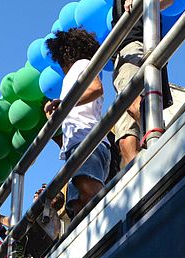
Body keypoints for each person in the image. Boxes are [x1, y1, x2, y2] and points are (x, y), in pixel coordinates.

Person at [44, 28, 111, 217]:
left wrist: (65, 104)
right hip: (80, 144)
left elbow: (96, 89)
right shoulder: (73, 76)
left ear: (66, 52)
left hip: (87, 142)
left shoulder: (81, 64)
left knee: (91, 197)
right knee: (77, 208)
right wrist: (59, 111)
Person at [110, 0, 174, 166]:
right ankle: (143, 174)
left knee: (133, 105)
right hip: (125, 53)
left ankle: (160, 154)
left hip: (137, 46)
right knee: (125, 136)